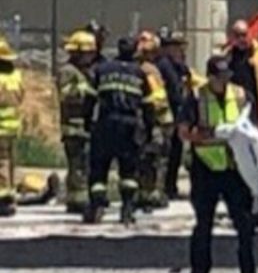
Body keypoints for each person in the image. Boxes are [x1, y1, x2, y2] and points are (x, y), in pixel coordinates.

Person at [179, 55, 258, 273]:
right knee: (203, 225)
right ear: (209, 77)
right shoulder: (197, 98)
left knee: (245, 224)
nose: (224, 81)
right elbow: (185, 132)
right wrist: (216, 133)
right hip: (205, 168)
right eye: (219, 77)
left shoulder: (241, 96)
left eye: (226, 76)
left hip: (236, 169)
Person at [85, 37, 150, 225]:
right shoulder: (140, 73)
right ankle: (127, 209)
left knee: (99, 168)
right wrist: (148, 127)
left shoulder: (102, 69)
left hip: (106, 122)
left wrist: (88, 122)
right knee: (128, 169)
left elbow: (90, 98)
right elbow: (148, 104)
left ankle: (97, 207)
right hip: (129, 125)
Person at [58, 30, 98, 215]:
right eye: (87, 53)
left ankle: (81, 197)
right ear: (77, 53)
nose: (90, 56)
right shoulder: (67, 71)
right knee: (77, 165)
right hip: (73, 126)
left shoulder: (86, 72)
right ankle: (76, 200)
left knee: (85, 164)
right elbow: (66, 95)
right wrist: (87, 91)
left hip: (86, 125)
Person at [135, 30, 173, 211]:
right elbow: (158, 98)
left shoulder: (138, 67)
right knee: (156, 159)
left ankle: (144, 192)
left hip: (146, 121)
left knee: (146, 158)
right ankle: (153, 193)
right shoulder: (149, 70)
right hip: (156, 121)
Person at [156, 30, 191, 200]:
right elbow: (174, 93)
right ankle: (163, 189)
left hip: (176, 117)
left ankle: (170, 187)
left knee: (175, 154)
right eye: (177, 46)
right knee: (166, 155)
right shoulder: (164, 65)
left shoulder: (178, 66)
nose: (181, 50)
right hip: (166, 118)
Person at [0, 36, 23, 217]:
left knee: (1, 163)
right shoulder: (16, 76)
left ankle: (2, 197)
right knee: (10, 163)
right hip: (13, 127)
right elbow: (20, 98)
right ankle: (10, 193)